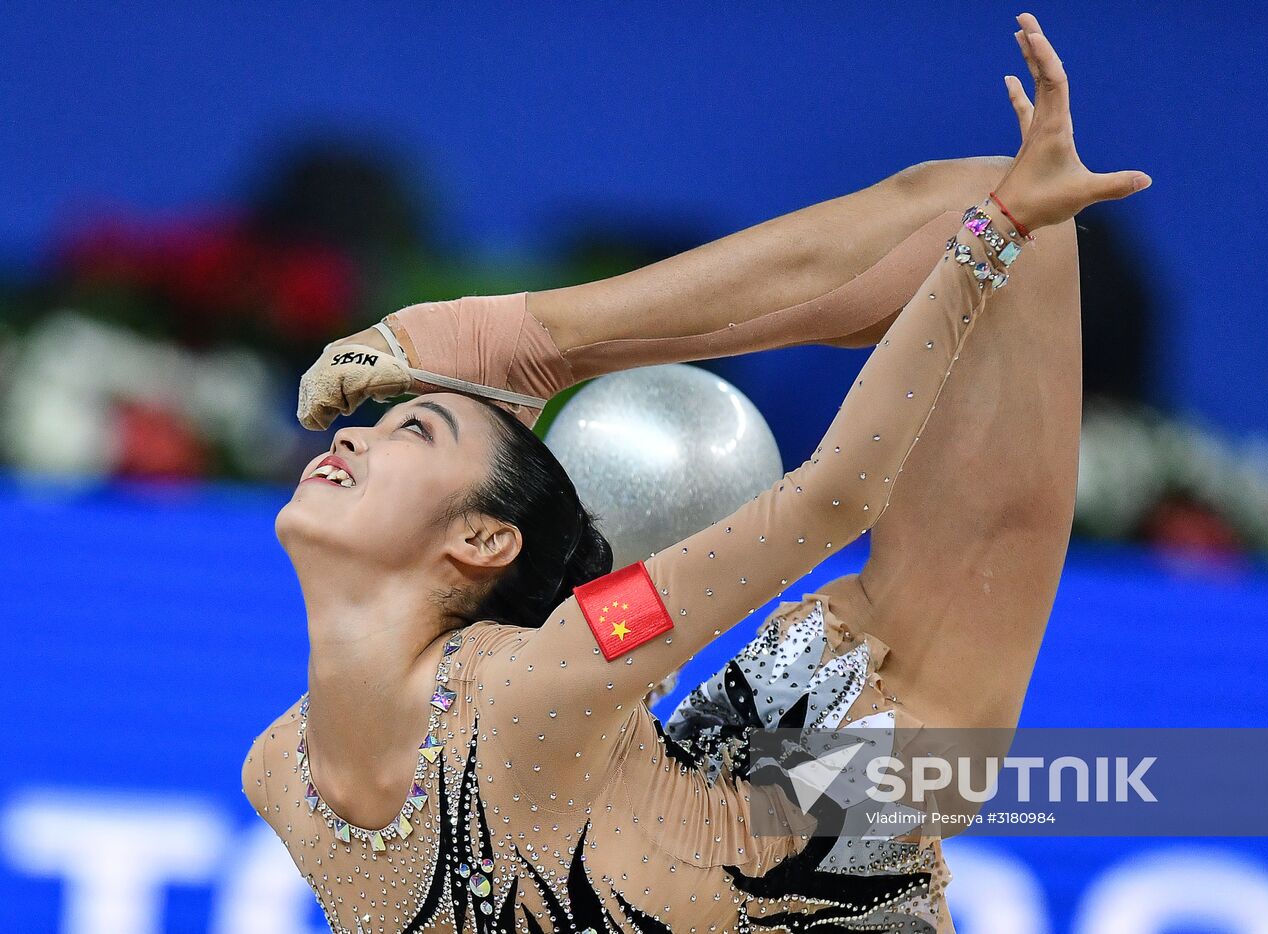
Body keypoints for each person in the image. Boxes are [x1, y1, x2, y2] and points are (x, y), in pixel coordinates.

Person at [246, 13, 1151, 932]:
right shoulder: (277, 770)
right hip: (794, 845)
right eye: (412, 429)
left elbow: (831, 496)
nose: (350, 439)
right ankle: (531, 344)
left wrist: (996, 230)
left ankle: (534, 341)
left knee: (1005, 229)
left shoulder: (562, 662)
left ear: (483, 538)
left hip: (814, 804)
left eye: (412, 429)